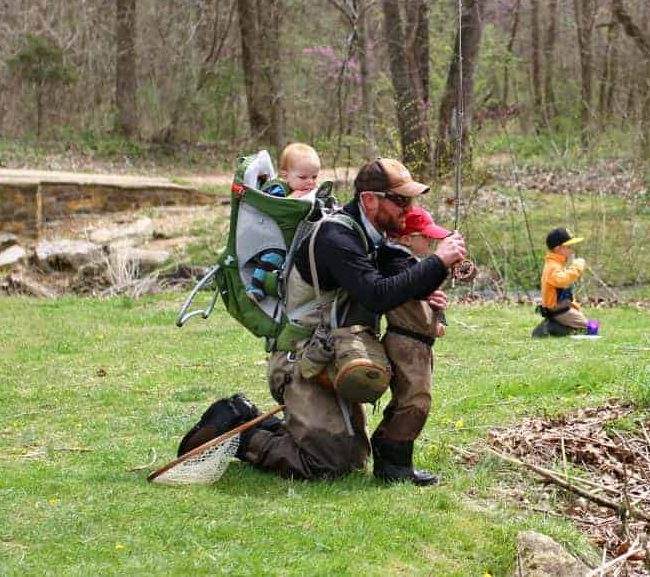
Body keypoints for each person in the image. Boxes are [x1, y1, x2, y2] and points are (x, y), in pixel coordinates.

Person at [179, 158, 467, 484]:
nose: (408, 208)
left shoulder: (372, 235)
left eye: (411, 200)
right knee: (330, 463)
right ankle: (238, 428)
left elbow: (399, 275)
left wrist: (430, 280)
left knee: (353, 457)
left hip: (334, 356)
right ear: (369, 200)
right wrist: (438, 261)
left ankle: (394, 460)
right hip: (300, 362)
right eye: (400, 200)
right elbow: (375, 293)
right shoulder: (336, 238)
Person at [372, 206, 454, 484]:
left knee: (414, 400)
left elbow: (425, 293)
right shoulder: (397, 259)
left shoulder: (414, 266)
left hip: (418, 343)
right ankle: (394, 464)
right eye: (425, 237)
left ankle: (394, 458)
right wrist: (443, 264)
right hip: (406, 343)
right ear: (406, 239)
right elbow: (417, 286)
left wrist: (438, 312)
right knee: (414, 402)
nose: (431, 243)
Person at [247, 142, 322, 301]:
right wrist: (292, 199)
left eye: (314, 177)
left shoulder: (304, 189)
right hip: (269, 238)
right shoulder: (278, 189)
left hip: (291, 237)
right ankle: (255, 287)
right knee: (274, 256)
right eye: (303, 177)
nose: (310, 182)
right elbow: (274, 206)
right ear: (285, 175)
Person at [532, 227, 600, 338]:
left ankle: (555, 326)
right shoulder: (552, 266)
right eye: (568, 247)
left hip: (564, 309)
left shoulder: (558, 264)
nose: (571, 249)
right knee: (590, 328)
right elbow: (562, 281)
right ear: (558, 249)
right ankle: (550, 327)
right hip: (558, 312)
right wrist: (576, 267)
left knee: (588, 327)